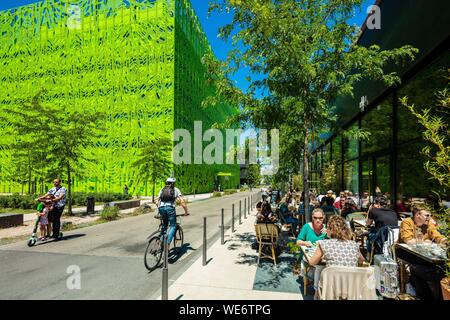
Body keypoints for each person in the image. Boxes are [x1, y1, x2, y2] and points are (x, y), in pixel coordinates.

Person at [397, 208, 447, 300]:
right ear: (417, 215)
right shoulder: (407, 222)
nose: (429, 217)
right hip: (405, 251)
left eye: (430, 215)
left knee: (437, 268)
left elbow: (437, 236)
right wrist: (425, 242)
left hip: (423, 254)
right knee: (427, 268)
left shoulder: (428, 224)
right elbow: (409, 241)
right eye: (427, 215)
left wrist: (445, 241)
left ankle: (426, 292)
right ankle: (425, 292)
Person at [156, 177, 189, 244]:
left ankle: (161, 241)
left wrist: (160, 210)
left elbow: (157, 202)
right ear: (173, 183)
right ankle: (167, 243)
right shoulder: (175, 189)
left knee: (165, 224)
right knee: (173, 225)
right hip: (170, 208)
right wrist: (186, 211)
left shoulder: (162, 189)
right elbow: (182, 201)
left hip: (161, 208)